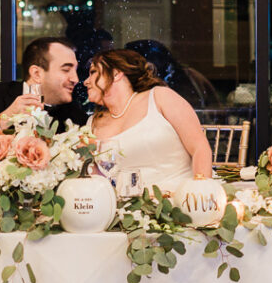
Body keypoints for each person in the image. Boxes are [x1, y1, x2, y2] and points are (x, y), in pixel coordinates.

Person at [84, 49, 212, 192]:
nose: (85, 82)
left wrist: (202, 194)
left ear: (116, 73)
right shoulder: (92, 124)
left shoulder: (160, 98)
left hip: (181, 199)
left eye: (93, 72)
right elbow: (97, 180)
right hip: (127, 210)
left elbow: (200, 148)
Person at [0, 37, 86, 158]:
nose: (75, 78)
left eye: (75, 70)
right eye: (66, 70)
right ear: (36, 73)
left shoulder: (74, 116)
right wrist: (4, 118)